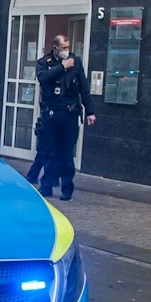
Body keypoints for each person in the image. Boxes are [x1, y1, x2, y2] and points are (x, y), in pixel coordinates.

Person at [32, 35, 97, 200]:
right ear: (55, 48)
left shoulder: (76, 63)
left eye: (68, 47)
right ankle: (46, 186)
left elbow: (84, 87)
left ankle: (67, 189)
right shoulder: (44, 63)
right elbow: (43, 78)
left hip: (69, 113)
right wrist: (61, 67)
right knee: (49, 151)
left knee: (67, 152)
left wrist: (90, 111)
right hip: (50, 113)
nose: (66, 51)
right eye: (63, 48)